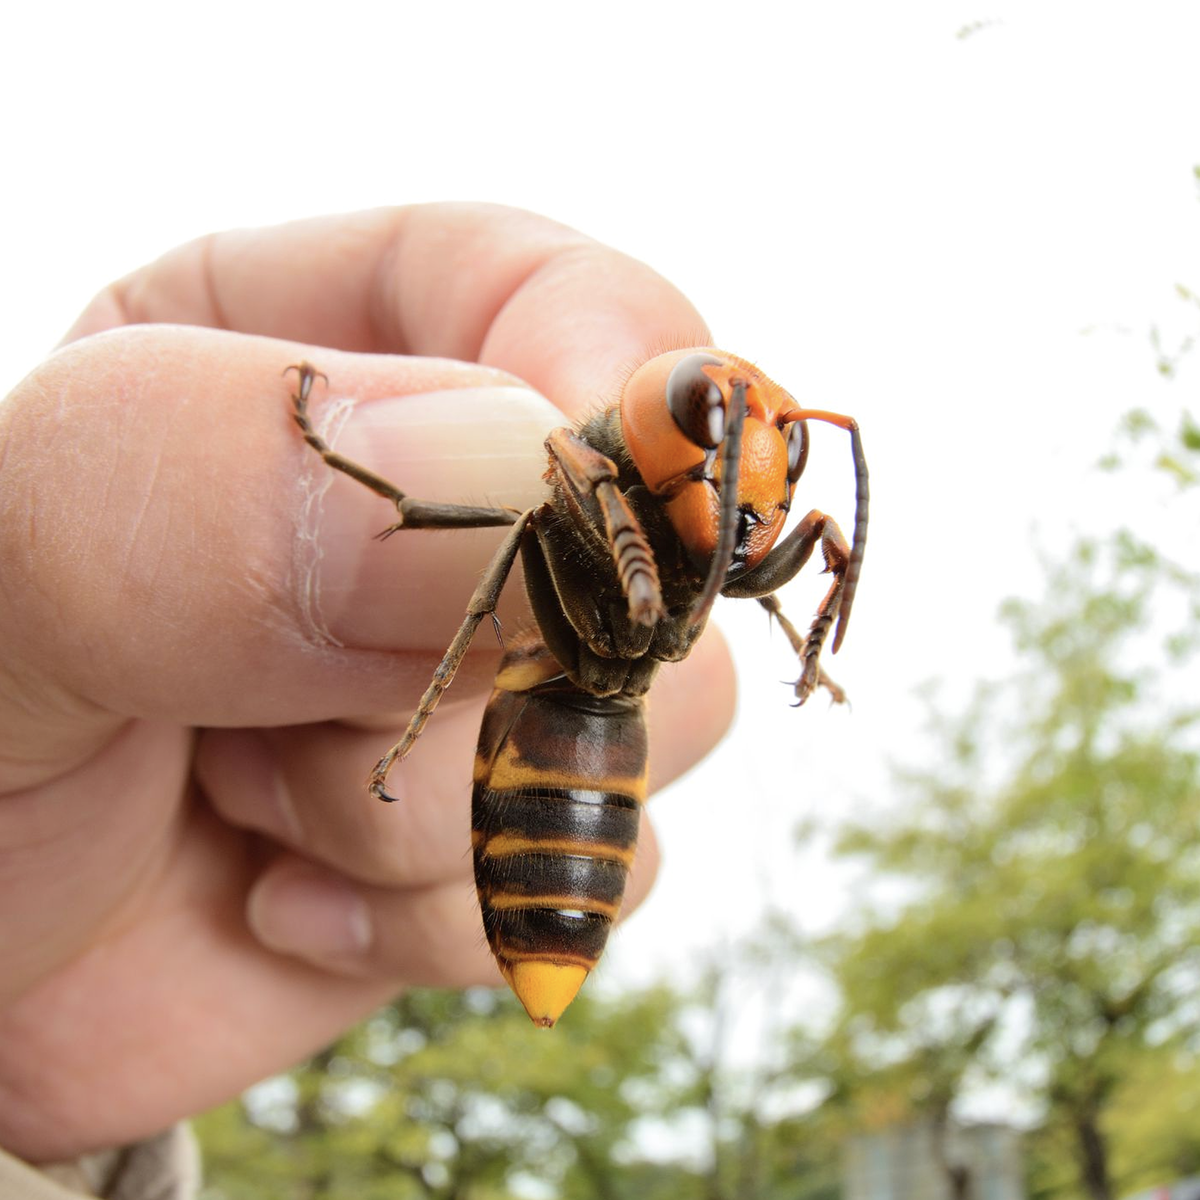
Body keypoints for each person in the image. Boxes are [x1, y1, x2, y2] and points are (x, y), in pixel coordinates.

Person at [0, 204, 736, 1198]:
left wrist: (33, 1117)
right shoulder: (575, 466)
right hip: (570, 747)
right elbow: (452, 513)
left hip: (588, 741)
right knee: (514, 525)